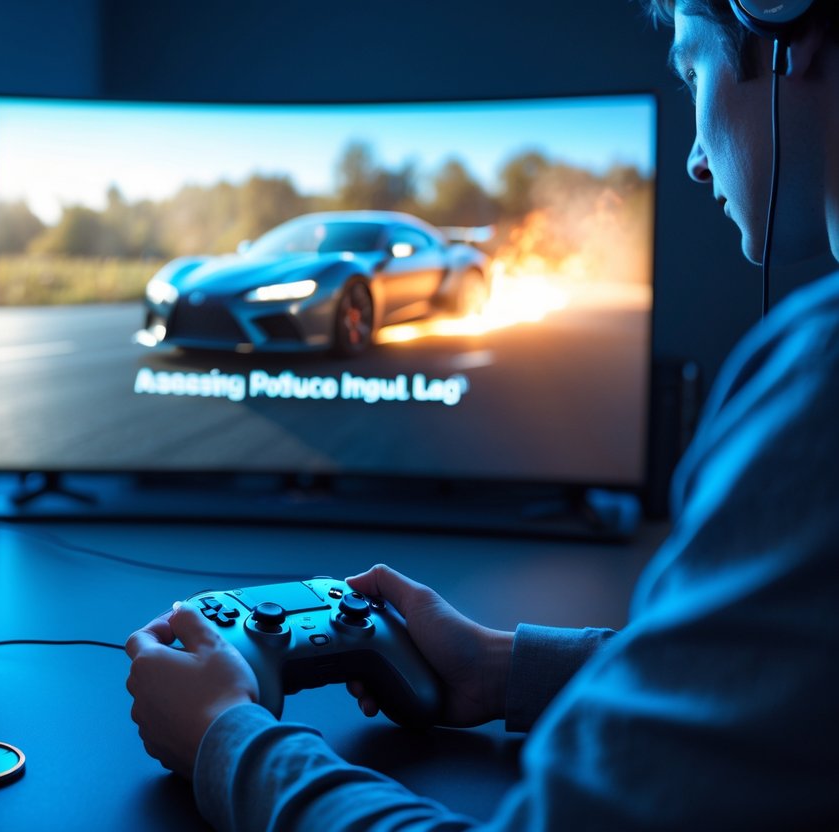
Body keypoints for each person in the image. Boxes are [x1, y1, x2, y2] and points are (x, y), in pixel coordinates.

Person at [125, 1, 839, 828]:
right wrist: (499, 666)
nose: (689, 159)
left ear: (790, 27)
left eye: (690, 72)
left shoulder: (818, 382)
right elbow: (779, 681)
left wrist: (225, 738)